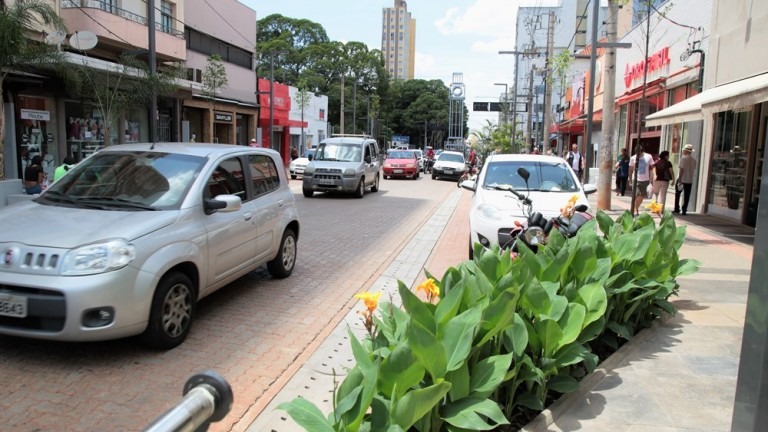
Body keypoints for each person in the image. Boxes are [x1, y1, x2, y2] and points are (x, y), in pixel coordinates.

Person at [628, 143, 655, 215]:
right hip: (636, 179)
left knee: (641, 196)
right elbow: (630, 169)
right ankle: (634, 210)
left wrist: (655, 175)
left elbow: (653, 166)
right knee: (636, 195)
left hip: (645, 180)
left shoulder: (648, 156)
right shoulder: (633, 158)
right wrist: (630, 179)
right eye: (636, 153)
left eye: (639, 153)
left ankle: (635, 208)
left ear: (642, 151)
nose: (638, 155)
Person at [674, 144, 697, 215]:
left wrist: (679, 179)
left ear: (686, 151)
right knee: (687, 195)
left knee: (678, 194)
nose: (683, 151)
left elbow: (681, 169)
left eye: (684, 150)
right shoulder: (694, 160)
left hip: (682, 179)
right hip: (689, 180)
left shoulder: (683, 159)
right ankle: (684, 209)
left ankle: (677, 209)